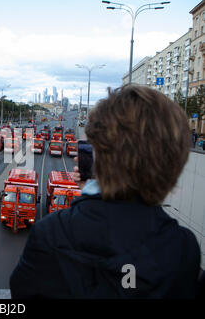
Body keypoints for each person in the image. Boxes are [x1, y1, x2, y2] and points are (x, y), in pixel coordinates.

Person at [10, 85, 201, 298]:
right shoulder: (183, 250)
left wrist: (91, 196)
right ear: (176, 164)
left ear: (96, 154)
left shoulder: (50, 234)